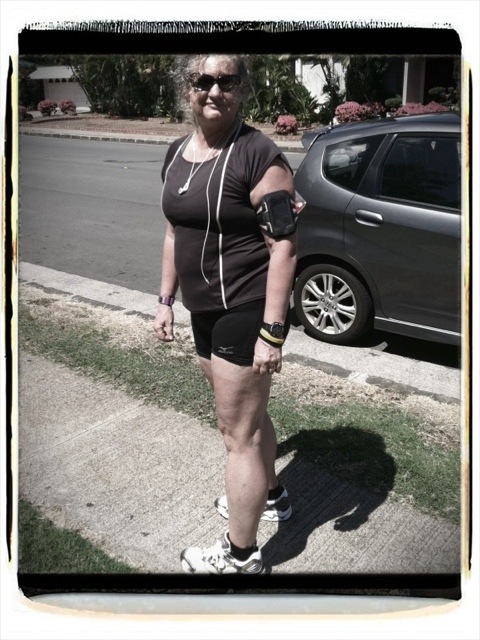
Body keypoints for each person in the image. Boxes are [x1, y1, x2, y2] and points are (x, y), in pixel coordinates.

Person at [154, 54, 300, 574]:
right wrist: (165, 300)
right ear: (187, 88)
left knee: (238, 435)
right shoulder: (176, 152)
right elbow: (174, 231)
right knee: (249, 419)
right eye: (203, 80)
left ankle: (241, 556)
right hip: (203, 310)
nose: (214, 90)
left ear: (242, 90)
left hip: (245, 307)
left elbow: (284, 248)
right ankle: (272, 495)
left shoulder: (259, 155)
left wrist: (272, 333)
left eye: (227, 81)